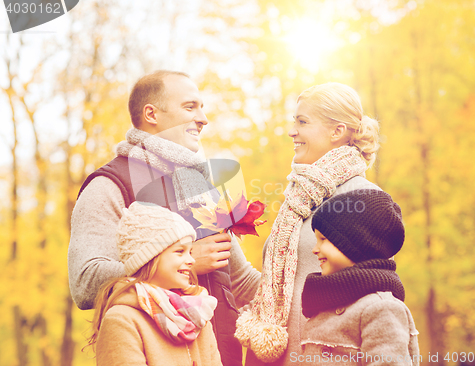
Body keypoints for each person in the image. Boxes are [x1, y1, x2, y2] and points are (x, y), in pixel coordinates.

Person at [68, 70, 260, 366]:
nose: (203, 118)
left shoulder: (202, 186)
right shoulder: (109, 185)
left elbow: (242, 282)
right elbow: (85, 282)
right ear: (151, 114)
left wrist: (316, 291)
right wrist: (184, 259)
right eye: (190, 107)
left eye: (202, 107)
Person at [235, 82, 382, 365]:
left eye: (302, 122)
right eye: (294, 121)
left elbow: (376, 300)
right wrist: (220, 231)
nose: (292, 131)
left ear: (336, 131)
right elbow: (276, 291)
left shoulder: (365, 199)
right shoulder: (299, 199)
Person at [88, 201, 222, 366]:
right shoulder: (121, 320)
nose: (191, 260)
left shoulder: (197, 315)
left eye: (190, 252)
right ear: (150, 258)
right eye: (180, 251)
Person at [299, 190, 420, 365]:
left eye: (323, 239)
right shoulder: (328, 304)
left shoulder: (380, 308)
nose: (315, 249)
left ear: (355, 244)